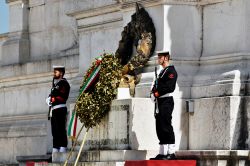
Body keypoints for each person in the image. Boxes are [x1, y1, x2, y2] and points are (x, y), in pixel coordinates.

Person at [150, 51, 178, 160]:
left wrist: (157, 93)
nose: (158, 59)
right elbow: (157, 85)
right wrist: (152, 93)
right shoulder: (162, 72)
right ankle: (162, 152)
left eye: (160, 57)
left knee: (166, 126)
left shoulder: (171, 71)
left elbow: (169, 87)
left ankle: (171, 152)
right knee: (160, 126)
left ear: (166, 58)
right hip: (159, 101)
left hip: (166, 101)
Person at [46, 66, 70, 153]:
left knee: (61, 129)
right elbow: (52, 94)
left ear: (61, 73)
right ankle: (56, 146)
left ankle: (63, 146)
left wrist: (53, 99)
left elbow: (63, 96)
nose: (54, 74)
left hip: (60, 109)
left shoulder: (64, 83)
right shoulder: (56, 84)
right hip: (54, 109)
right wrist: (49, 99)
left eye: (56, 72)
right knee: (54, 130)